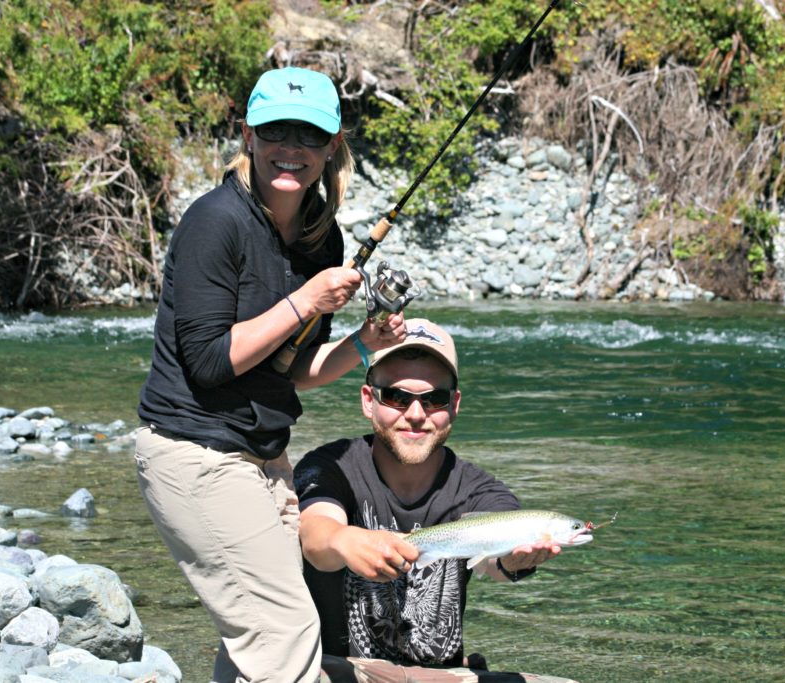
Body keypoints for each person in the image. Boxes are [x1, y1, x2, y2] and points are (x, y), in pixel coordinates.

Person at [135, 66, 406, 683]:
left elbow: (289, 370)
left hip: (262, 457)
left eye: (308, 135)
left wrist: (362, 344)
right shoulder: (215, 222)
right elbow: (208, 363)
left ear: (331, 147)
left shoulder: (319, 238)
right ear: (248, 134)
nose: (291, 148)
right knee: (284, 630)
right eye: (275, 131)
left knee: (259, 632)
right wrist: (308, 299)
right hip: (194, 451)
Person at [293, 318, 562, 679]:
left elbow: (494, 564)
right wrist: (344, 540)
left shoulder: (480, 490)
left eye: (434, 399)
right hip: (343, 672)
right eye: (397, 397)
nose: (416, 415)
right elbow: (315, 535)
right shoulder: (333, 466)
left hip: (443, 676)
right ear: (368, 400)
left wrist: (515, 562)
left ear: (454, 405)